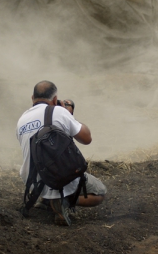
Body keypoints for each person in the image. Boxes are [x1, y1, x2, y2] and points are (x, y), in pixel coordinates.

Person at [16, 80, 107, 226]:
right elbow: (86, 138)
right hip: (58, 179)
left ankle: (46, 200)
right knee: (99, 193)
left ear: (32, 98)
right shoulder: (59, 112)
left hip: (32, 181)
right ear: (54, 99)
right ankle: (63, 200)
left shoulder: (21, 120)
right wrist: (68, 114)